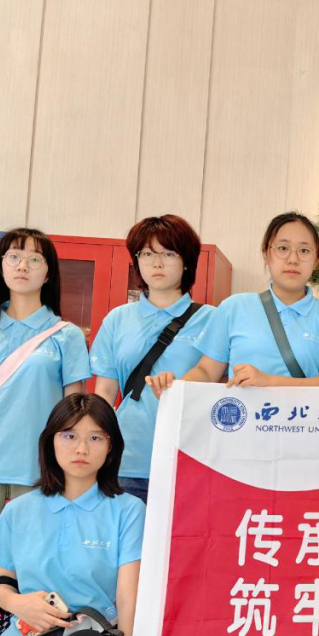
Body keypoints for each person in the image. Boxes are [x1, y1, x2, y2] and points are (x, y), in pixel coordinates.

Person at [0, 228, 90, 636]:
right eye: (13, 257)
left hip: (39, 472)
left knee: (37, 577)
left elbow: (74, 409)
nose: (22, 266)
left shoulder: (65, 334)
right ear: (1, 267)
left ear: (48, 272)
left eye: (34, 259)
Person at [0, 393, 145, 636]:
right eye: (69, 436)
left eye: (95, 438)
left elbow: (128, 600)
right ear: (50, 442)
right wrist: (18, 604)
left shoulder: (129, 511)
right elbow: (2, 582)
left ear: (111, 446)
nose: (81, 449)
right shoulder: (18, 510)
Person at [147, 211, 319, 396]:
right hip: (242, 426)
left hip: (305, 425)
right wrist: (175, 388)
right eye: (283, 248)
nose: (293, 259)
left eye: (304, 250)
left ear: (316, 260)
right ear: (266, 254)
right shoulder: (233, 308)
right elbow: (207, 371)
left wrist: (269, 382)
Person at [90, 215, 215, 503]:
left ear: (186, 262)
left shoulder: (213, 319)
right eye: (147, 254)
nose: (157, 263)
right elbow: (104, 394)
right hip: (127, 458)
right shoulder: (117, 319)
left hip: (191, 457)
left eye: (168, 254)